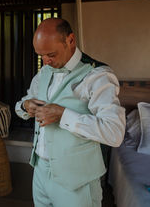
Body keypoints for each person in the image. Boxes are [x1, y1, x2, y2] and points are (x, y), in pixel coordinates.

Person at [15, 18, 125, 207]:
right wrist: (26, 106)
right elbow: (23, 102)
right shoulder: (43, 73)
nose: (46, 61)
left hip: (77, 180)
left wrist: (63, 115)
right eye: (40, 56)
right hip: (40, 172)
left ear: (70, 40)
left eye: (51, 54)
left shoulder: (98, 75)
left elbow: (114, 133)